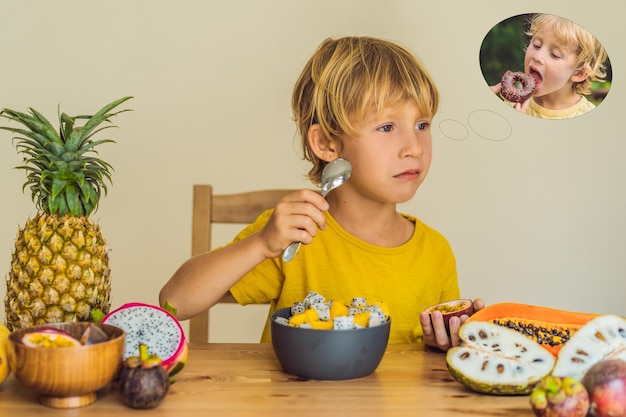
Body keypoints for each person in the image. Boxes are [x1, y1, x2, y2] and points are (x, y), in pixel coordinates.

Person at [159, 36, 483, 351]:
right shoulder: (293, 236)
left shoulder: (436, 253)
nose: (414, 147)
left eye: (422, 125)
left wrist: (443, 342)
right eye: (387, 127)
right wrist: (260, 244)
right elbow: (174, 301)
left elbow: (433, 359)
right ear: (327, 144)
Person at [493, 13, 609, 119]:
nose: (537, 56)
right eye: (536, 45)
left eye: (555, 55)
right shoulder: (514, 104)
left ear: (579, 73)